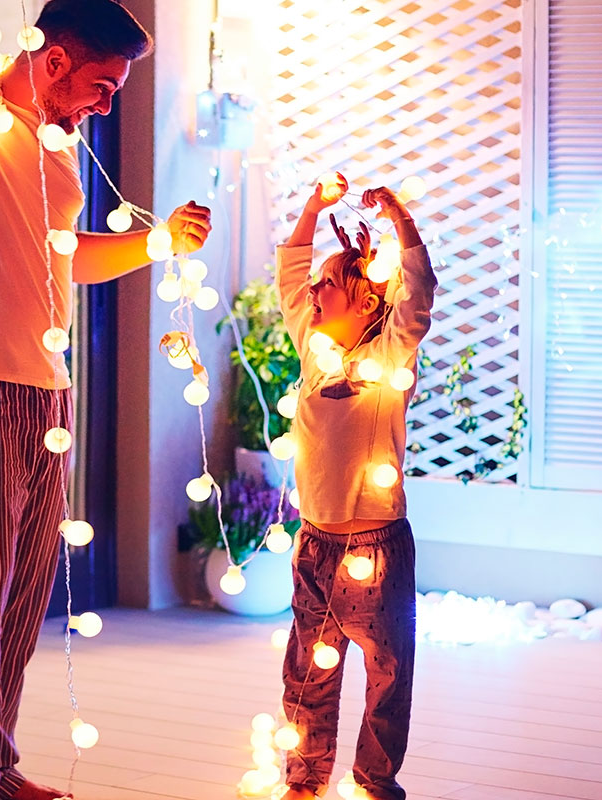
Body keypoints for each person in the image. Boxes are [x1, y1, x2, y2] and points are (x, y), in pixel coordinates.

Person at [0, 1, 212, 798]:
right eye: (102, 85)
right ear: (56, 59)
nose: (105, 104)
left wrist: (156, 239)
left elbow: (67, 258)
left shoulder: (53, 151)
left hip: (45, 391)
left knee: (23, 594)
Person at [271, 175, 433, 800]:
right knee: (307, 674)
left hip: (377, 548)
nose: (314, 292)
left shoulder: (390, 356)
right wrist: (312, 206)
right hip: (316, 547)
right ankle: (304, 782)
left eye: (330, 285)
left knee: (388, 675)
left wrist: (398, 218)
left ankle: (374, 783)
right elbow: (291, 276)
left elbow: (417, 295)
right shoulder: (315, 352)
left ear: (365, 304)